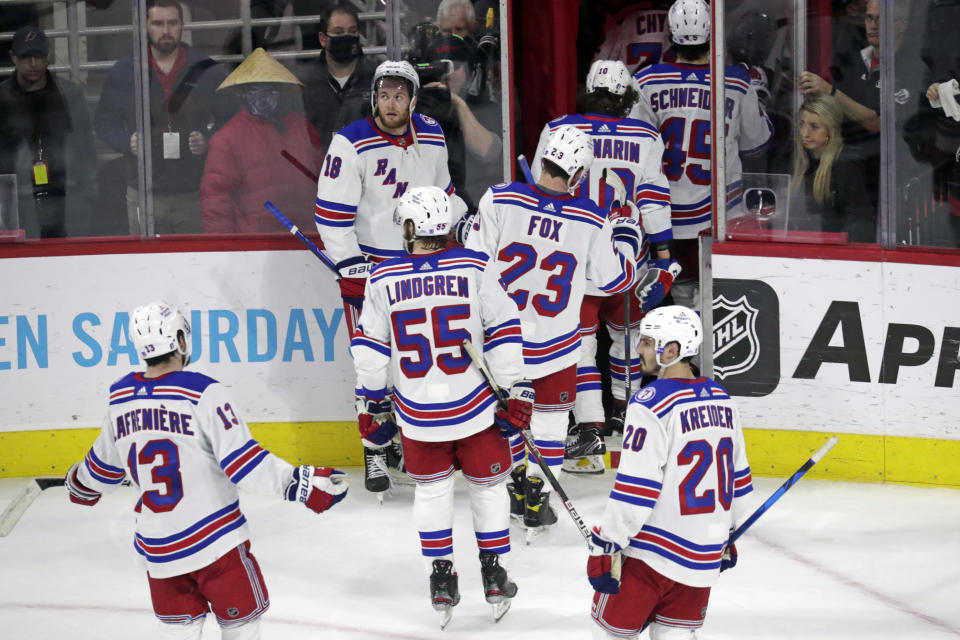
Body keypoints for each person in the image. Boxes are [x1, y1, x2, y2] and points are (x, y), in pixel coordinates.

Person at [64, 300, 348, 639]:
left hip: (160, 551)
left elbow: (98, 473)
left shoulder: (120, 396)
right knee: (242, 628)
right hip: (216, 546)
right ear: (181, 341)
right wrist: (304, 484)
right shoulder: (202, 392)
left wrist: (77, 483)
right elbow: (243, 463)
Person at [351, 186, 531, 625]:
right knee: (488, 488)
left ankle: (442, 577)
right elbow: (505, 329)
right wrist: (514, 391)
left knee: (432, 491)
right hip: (476, 408)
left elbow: (371, 354)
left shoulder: (382, 277)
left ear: (411, 228)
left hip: (417, 416)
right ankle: (493, 573)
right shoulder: (475, 266)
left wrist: (372, 405)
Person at [465, 125, 641, 537]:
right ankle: (538, 499)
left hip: (501, 341)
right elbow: (615, 281)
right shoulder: (590, 219)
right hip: (556, 345)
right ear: (579, 175)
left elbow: (472, 267)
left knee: (504, 420)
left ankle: (512, 487)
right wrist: (626, 235)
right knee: (548, 424)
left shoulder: (500, 198)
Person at [314, 59, 468, 496]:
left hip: (421, 266)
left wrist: (463, 223)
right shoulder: (349, 143)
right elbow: (331, 216)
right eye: (383, 95)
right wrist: (350, 265)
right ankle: (374, 449)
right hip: (374, 269)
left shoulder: (433, 134)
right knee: (372, 365)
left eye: (399, 95)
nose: (390, 103)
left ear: (413, 100)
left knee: (415, 362)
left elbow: (446, 196)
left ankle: (405, 442)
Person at [531, 59, 677, 474]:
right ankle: (624, 412)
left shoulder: (559, 128)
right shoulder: (646, 134)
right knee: (628, 337)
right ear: (627, 97)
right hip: (625, 253)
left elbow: (543, 190)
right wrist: (664, 255)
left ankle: (591, 429)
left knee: (582, 347)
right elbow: (652, 197)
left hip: (573, 253)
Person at [586, 305, 754, 639]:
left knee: (611, 635)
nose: (639, 350)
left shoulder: (651, 403)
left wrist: (607, 544)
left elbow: (636, 489)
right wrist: (726, 535)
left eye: (647, 342)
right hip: (701, 560)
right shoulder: (724, 400)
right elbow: (741, 483)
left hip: (650, 557)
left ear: (672, 350)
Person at [631, 0, 772, 311]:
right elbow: (756, 143)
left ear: (670, 35)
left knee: (678, 299)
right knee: (710, 300)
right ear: (713, 34)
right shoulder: (736, 81)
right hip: (719, 216)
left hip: (665, 220)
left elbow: (635, 151)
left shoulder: (646, 81)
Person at [94, 0, 235, 235]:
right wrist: (125, 141)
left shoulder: (206, 70)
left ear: (182, 25)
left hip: (194, 192)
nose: (166, 31)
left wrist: (209, 140)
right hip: (143, 193)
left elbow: (230, 121)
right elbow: (103, 121)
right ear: (145, 27)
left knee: (194, 265)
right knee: (144, 267)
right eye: (158, 23)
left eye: (172, 23)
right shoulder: (126, 70)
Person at [201, 48, 324, 233]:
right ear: (243, 94)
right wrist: (224, 249)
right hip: (256, 245)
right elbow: (216, 200)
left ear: (281, 92)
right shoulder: (226, 138)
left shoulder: (302, 128)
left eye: (271, 89)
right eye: (255, 89)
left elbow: (324, 183)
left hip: (309, 238)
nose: (264, 96)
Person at [0, 26, 97, 238]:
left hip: (66, 199)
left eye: (39, 56)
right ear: (14, 58)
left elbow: (86, 149)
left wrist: (87, 197)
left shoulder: (70, 95)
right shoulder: (3, 99)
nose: (33, 63)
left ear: (48, 56)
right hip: (20, 202)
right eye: (26, 57)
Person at [421, 32, 503, 208]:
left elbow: (488, 152)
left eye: (456, 66)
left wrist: (456, 102)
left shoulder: (486, 108)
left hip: (475, 204)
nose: (449, 74)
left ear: (469, 71)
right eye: (441, 67)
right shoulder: (419, 108)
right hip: (428, 206)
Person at [790, 95, 874, 241]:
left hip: (834, 253)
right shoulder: (800, 161)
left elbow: (860, 221)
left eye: (814, 127)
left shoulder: (845, 167)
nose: (805, 133)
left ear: (830, 129)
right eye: (802, 124)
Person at [298, 3, 376, 151]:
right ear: (322, 39)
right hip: (319, 168)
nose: (346, 37)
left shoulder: (376, 78)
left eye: (352, 31)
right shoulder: (307, 82)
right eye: (338, 32)